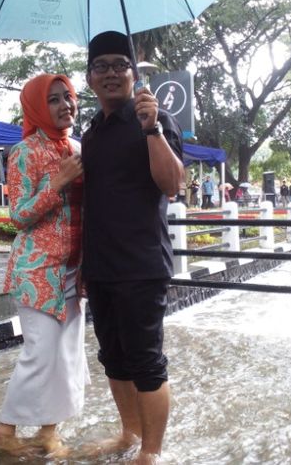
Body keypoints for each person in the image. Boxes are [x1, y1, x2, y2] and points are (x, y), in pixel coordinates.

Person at [81, 31, 183, 463]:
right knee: (113, 358)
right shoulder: (92, 131)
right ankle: (128, 433)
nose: (110, 74)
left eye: (119, 65)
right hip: (102, 265)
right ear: (89, 77)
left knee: (145, 361)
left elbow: (173, 184)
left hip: (141, 264)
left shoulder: (153, 120)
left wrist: (152, 129)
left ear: (133, 71)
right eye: (100, 66)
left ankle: (151, 451)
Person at [0, 74, 88, 458]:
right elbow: (18, 215)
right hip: (36, 271)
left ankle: (49, 431)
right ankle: (4, 432)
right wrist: (58, 182)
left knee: (67, 355)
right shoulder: (24, 152)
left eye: (68, 96)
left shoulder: (79, 149)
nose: (65, 104)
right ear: (35, 107)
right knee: (40, 353)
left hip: (73, 270)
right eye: (53, 100)